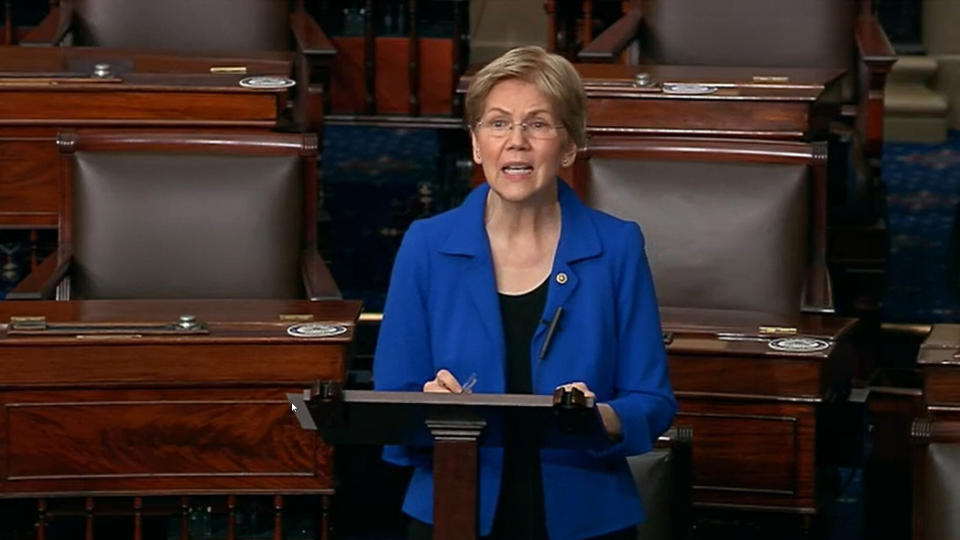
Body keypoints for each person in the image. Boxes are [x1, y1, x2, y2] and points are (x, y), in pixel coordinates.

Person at [373, 45, 676, 540]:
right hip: (452, 507)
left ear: (571, 146)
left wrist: (595, 417)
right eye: (497, 124)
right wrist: (428, 407)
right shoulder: (426, 246)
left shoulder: (617, 247)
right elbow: (391, 403)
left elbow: (652, 400)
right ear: (475, 144)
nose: (516, 142)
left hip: (585, 511)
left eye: (537, 124)